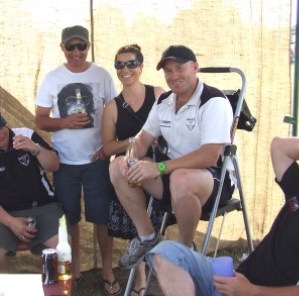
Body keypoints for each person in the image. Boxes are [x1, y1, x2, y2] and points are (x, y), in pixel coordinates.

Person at [146, 136, 299, 296]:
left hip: (253, 291)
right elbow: (279, 147)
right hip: (234, 282)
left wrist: (251, 291)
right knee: (166, 253)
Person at [109, 44, 234, 269]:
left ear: (195, 67)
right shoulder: (164, 101)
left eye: (179, 68)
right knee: (118, 166)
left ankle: (185, 250)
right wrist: (131, 157)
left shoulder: (214, 101)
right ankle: (147, 236)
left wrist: (159, 168)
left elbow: (209, 156)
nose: (173, 76)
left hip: (213, 180)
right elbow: (143, 139)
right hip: (171, 176)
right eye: (168, 71)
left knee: (181, 178)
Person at [34, 25, 121, 295]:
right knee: (69, 219)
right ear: (62, 48)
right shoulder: (52, 78)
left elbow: (116, 112)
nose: (76, 52)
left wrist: (108, 148)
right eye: (70, 47)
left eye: (81, 46)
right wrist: (65, 122)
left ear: (88, 46)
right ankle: (76, 269)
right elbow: (40, 119)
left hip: (96, 160)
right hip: (64, 163)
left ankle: (108, 270)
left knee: (101, 219)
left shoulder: (102, 75)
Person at [0, 104, 64, 273]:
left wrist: (36, 149)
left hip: (41, 207)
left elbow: (54, 165)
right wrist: (11, 222)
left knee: (62, 245)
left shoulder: (25, 134)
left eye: (1, 127)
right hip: (0, 214)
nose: (0, 134)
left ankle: (55, 289)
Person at [102, 44, 165, 296]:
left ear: (141, 66)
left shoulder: (159, 94)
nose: (125, 69)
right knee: (135, 223)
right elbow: (107, 148)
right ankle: (140, 280)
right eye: (119, 64)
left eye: (130, 64)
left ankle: (174, 265)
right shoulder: (112, 107)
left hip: (157, 166)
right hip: (126, 169)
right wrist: (135, 140)